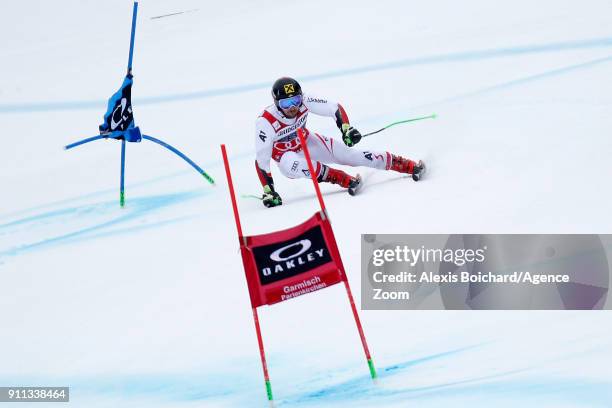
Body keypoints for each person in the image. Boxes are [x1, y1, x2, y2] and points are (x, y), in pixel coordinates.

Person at [254, 77, 425, 207]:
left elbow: (333, 107)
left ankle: (405, 164)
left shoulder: (306, 101)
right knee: (299, 164)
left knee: (349, 155)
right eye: (286, 103)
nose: (292, 107)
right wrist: (269, 191)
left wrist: (346, 128)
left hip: (306, 142)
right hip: (286, 158)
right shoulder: (266, 121)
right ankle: (341, 178)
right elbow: (262, 160)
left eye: (295, 101)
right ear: (276, 103)